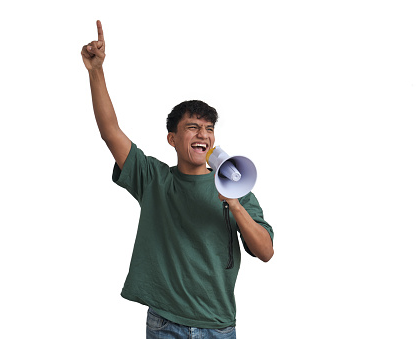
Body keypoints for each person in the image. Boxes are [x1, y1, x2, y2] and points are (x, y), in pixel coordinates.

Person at [81, 20, 274, 339]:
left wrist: (235, 206)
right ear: (172, 138)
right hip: (166, 323)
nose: (203, 134)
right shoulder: (154, 178)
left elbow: (265, 251)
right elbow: (110, 132)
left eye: (209, 128)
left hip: (219, 325)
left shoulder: (235, 186)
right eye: (193, 127)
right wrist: (96, 71)